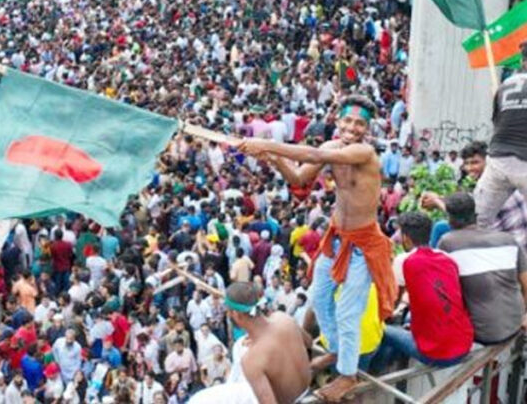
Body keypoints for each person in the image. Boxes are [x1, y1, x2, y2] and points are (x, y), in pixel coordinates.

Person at [239, 95, 397, 402]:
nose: (352, 127)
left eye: (359, 123)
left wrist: (268, 144)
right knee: (320, 298)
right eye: (347, 121)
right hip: (336, 239)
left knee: (349, 312)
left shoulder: (363, 152)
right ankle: (339, 351)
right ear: (338, 121)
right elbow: (299, 179)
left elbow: (310, 152)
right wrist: (273, 160)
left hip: (363, 245)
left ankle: (347, 374)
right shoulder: (331, 149)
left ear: (367, 129)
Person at [188, 282, 312, 404]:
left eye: (228, 311)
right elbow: (309, 342)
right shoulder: (284, 319)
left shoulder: (251, 359)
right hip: (309, 391)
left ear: (235, 314)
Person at [382, 211, 472, 367]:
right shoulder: (447, 258)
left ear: (406, 238)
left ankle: (378, 370)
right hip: (464, 342)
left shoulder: (403, 261)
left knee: (382, 330)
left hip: (439, 354)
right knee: (409, 317)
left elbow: (393, 302)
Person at [436, 193, 527, 345]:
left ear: (450, 220)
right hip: (516, 322)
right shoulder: (507, 239)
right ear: (475, 215)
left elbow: (443, 289)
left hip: (484, 333)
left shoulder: (447, 242)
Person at [473, 43, 527, 228]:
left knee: (477, 222)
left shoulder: (505, 84)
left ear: (522, 61)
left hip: (497, 162)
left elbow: (498, 122)